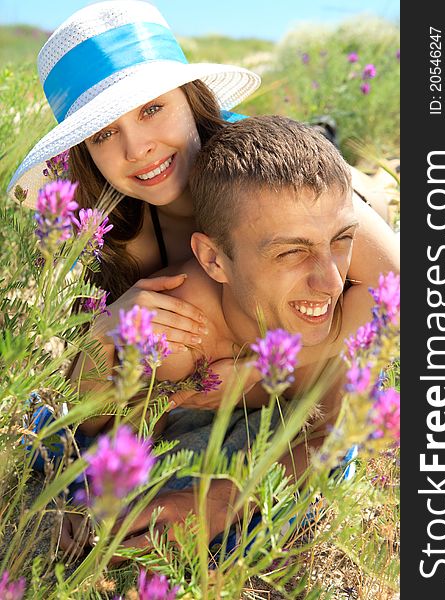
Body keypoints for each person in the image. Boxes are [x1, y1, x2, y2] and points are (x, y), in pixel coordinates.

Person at [7, 0, 399, 557]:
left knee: (354, 197)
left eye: (152, 109)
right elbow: (95, 394)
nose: (135, 148)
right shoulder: (113, 228)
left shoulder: (267, 178)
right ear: (87, 155)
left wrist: (271, 357)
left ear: (192, 101)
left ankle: (352, 161)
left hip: (292, 241)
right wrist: (105, 330)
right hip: (222, 361)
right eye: (102, 135)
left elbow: (404, 290)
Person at [63, 115, 396, 559]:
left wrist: (226, 498)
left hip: (327, 191)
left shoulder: (345, 307)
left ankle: (363, 174)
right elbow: (97, 422)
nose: (332, 282)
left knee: (371, 195)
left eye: (342, 241)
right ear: (211, 260)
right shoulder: (181, 327)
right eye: (291, 252)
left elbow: (332, 434)